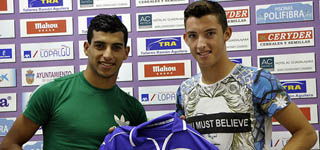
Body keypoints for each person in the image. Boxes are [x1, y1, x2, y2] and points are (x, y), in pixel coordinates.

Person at [176, 1, 317, 150]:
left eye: (210, 33)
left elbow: (306, 133)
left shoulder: (258, 81)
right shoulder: (185, 90)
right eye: (193, 36)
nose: (201, 44)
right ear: (185, 39)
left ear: (226, 34)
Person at [0, 14, 147, 150]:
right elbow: (9, 144)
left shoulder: (134, 109)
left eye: (116, 48)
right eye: (100, 46)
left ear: (126, 53)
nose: (107, 55)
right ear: (86, 48)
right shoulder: (53, 92)